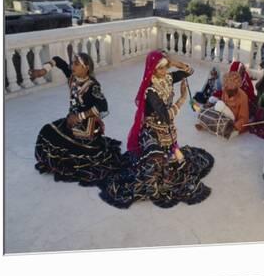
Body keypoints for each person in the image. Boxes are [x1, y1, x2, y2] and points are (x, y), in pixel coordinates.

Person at [99, 51, 213, 209]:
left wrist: (173, 63)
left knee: (176, 163)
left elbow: (189, 71)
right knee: (153, 170)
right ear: (152, 69)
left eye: (166, 67)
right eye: (161, 68)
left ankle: (171, 153)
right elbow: (166, 116)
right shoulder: (151, 91)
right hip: (152, 130)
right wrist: (181, 99)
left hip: (167, 131)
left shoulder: (167, 78)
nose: (164, 71)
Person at [30, 53, 123, 186]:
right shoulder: (73, 76)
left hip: (87, 126)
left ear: (86, 68)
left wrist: (79, 117)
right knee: (46, 131)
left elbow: (103, 106)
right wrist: (44, 70)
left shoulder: (93, 86)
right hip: (70, 121)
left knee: (74, 151)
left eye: (76, 64)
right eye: (72, 63)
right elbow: (57, 60)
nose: (72, 66)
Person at [196, 72, 249, 139]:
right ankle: (204, 125)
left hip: (233, 119)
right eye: (227, 84)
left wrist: (235, 126)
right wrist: (211, 105)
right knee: (211, 108)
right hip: (224, 114)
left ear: (236, 86)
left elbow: (244, 118)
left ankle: (226, 128)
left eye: (231, 85)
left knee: (219, 105)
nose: (228, 86)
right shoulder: (225, 89)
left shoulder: (243, 97)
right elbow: (223, 104)